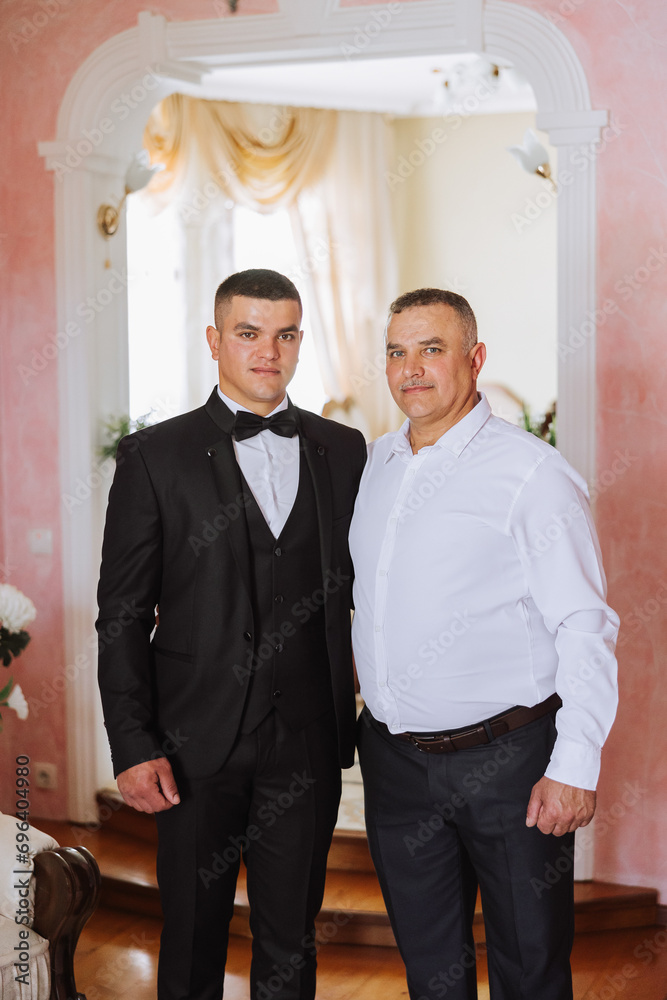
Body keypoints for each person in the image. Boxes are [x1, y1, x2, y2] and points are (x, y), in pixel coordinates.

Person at [96, 269, 366, 1000]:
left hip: (304, 738)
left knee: (290, 941)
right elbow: (121, 614)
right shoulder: (155, 456)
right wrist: (132, 742)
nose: (266, 351)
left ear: (299, 341)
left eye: (283, 334)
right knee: (190, 936)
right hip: (191, 741)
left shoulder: (344, 451)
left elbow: (366, 586)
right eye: (248, 333)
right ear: (215, 341)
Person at [349, 288, 619, 1000]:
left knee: (528, 967)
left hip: (509, 764)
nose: (411, 368)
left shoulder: (533, 474)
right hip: (395, 763)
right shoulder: (373, 466)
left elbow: (584, 624)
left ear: (473, 359)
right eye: (396, 351)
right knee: (430, 970)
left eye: (431, 349)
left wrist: (575, 765)